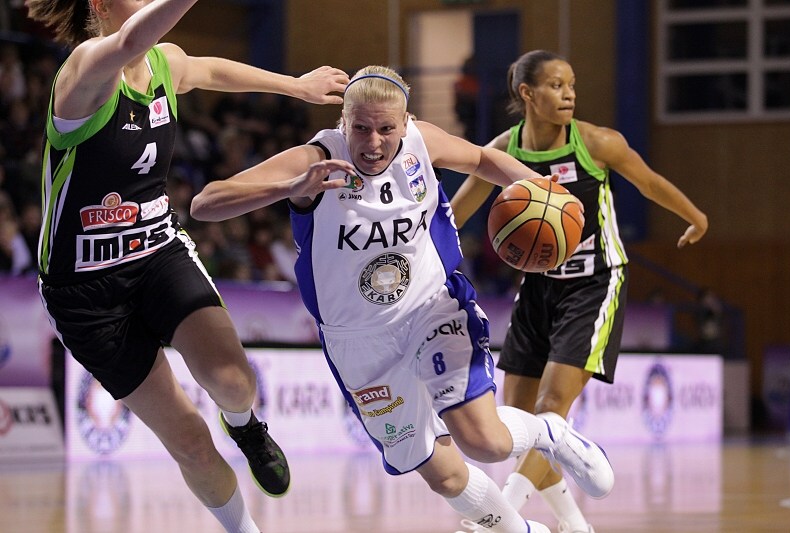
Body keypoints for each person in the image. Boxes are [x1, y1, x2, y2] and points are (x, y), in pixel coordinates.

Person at [191, 65, 615, 533]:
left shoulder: (421, 142)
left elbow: (480, 159)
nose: (373, 142)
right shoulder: (316, 158)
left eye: (386, 129)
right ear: (343, 122)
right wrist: (289, 188)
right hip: (356, 341)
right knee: (444, 475)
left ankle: (550, 431)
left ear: (405, 122)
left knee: (485, 442)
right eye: (361, 128)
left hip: (431, 309)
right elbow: (205, 203)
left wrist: (542, 189)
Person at [26, 1, 348, 532]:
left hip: (157, 253)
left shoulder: (164, 62)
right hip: (84, 292)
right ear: (101, 5)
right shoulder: (86, 68)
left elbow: (211, 70)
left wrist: (295, 86)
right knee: (191, 443)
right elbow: (129, 41)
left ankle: (244, 426)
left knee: (234, 382)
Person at [449, 50, 709, 533]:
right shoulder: (504, 150)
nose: (569, 94)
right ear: (527, 93)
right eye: (556, 85)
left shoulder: (597, 143)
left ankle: (501, 517)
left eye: (571, 84)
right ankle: (574, 525)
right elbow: (455, 215)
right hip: (538, 286)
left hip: (595, 282)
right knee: (519, 422)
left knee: (551, 410)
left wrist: (696, 217)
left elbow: (649, 183)